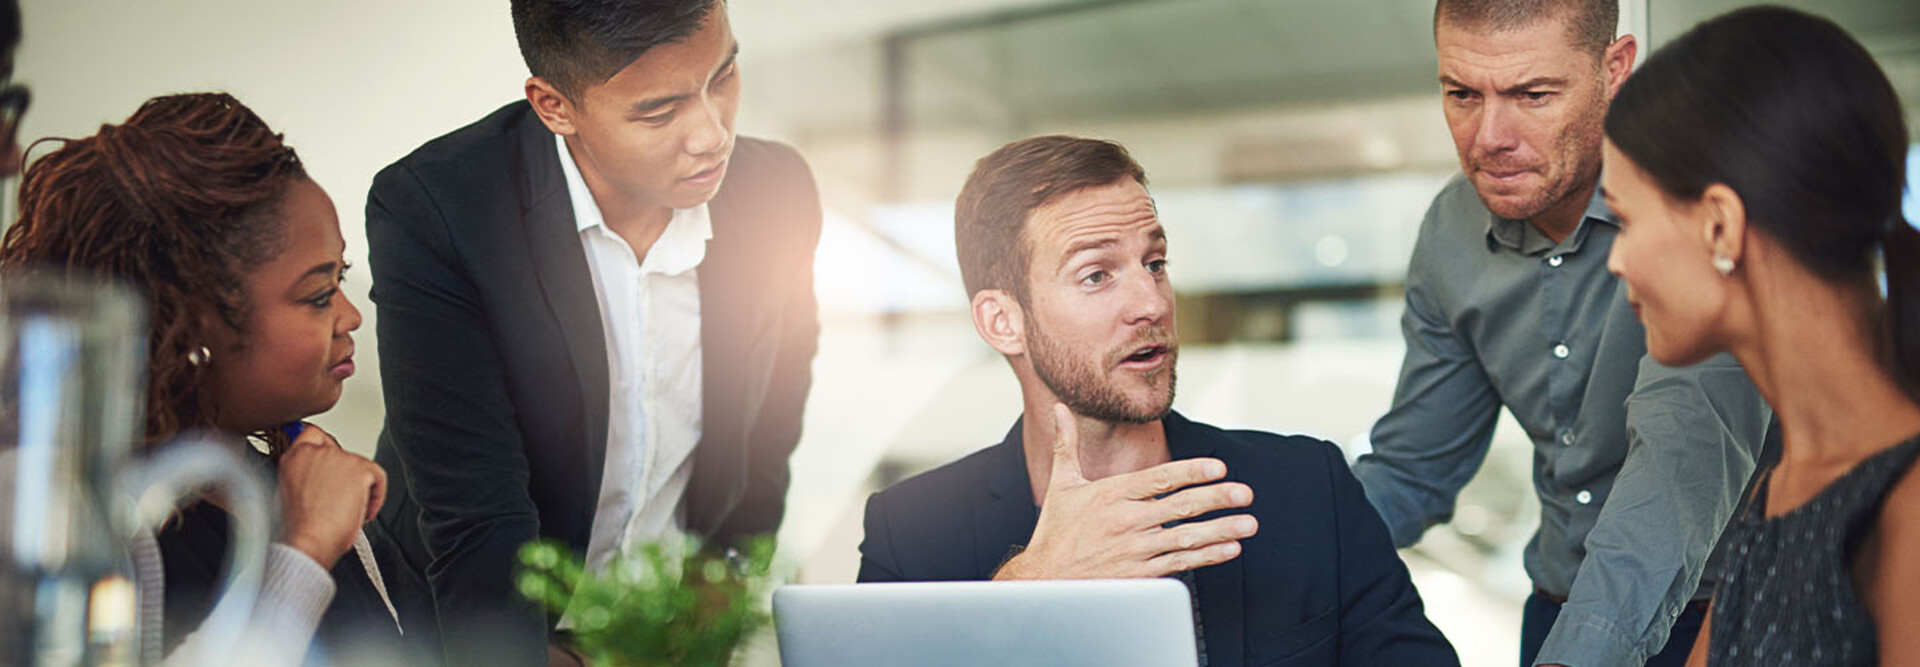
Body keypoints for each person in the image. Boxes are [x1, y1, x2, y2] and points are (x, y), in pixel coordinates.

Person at [857, 135, 1458, 666]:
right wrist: (1025, 593)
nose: (1152, 302)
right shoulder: (911, 533)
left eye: (1155, 262)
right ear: (1002, 321)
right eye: (1097, 275)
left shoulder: (1307, 489)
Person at [363, 0, 822, 664]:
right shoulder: (439, 210)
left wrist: (697, 628)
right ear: (555, 107)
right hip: (460, 630)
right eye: (659, 112)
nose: (712, 134)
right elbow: (474, 513)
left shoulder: (780, 192)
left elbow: (766, 443)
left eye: (722, 76)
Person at [1348, 1, 1776, 665]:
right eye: (1462, 94)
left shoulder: (1699, 204)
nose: (1489, 135)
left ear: (1617, 69)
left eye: (1533, 94)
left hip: (1730, 618)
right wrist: (1249, 552)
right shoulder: (1451, 230)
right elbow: (1414, 467)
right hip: (1554, 607)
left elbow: (1678, 465)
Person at [0, 93, 420, 665]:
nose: (350, 316)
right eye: (319, 295)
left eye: (340, 277)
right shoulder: (103, 532)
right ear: (188, 324)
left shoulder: (298, 476)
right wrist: (304, 552)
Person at [1601, 7, 1920, 665]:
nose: (1615, 260)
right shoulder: (1778, 489)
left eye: (1625, 220)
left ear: (1720, 225)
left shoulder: (1907, 508)